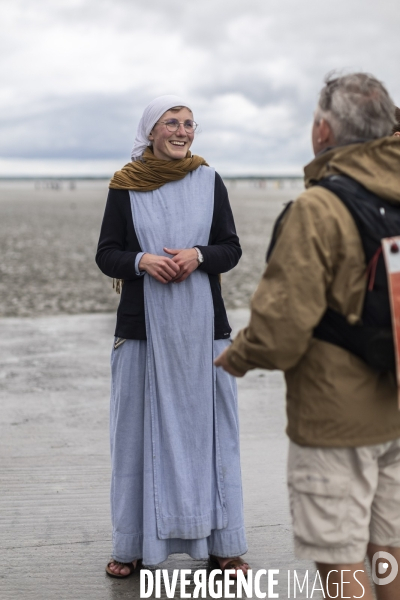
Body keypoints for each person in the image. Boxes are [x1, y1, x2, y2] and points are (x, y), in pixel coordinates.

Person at [215, 73, 400, 599]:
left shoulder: (316, 208)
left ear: (323, 130)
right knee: (388, 549)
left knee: (339, 556)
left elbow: (281, 332)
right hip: (396, 404)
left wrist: (239, 355)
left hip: (335, 418)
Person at [96, 95, 248, 578]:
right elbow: (107, 254)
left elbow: (231, 248)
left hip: (205, 331)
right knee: (136, 436)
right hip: (141, 331)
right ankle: (133, 546)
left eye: (188, 123)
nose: (182, 131)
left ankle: (224, 544)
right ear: (151, 131)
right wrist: (142, 261)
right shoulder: (125, 185)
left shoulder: (209, 180)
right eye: (171, 123)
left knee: (213, 434)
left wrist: (198, 256)